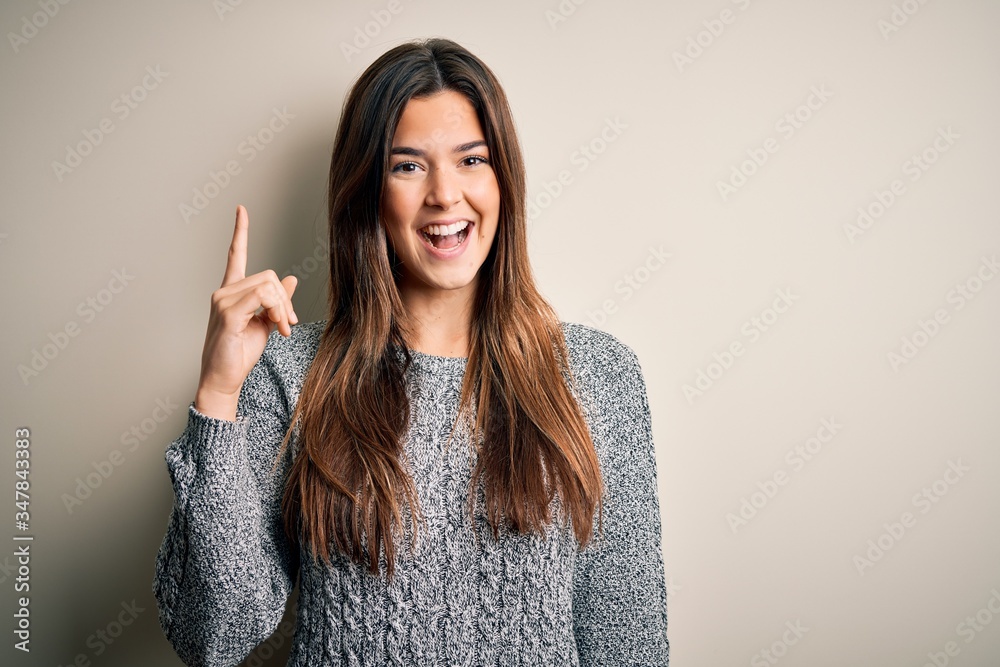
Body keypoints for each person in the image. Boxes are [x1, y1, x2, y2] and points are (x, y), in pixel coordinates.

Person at [152, 37, 669, 666]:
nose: (445, 194)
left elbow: (627, 644)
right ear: (369, 192)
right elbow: (214, 634)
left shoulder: (598, 374)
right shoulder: (292, 375)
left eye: (471, 159)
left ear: (504, 177)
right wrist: (218, 394)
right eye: (408, 166)